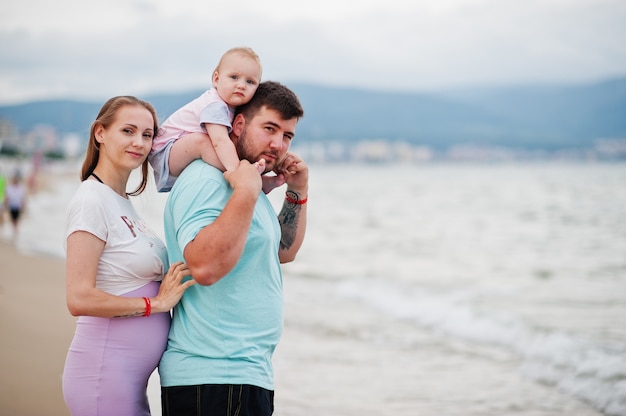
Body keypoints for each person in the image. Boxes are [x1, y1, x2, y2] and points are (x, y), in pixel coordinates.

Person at [159, 81, 308, 415]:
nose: (278, 144)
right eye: (269, 128)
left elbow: (283, 251)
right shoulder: (207, 180)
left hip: (247, 373)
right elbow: (205, 267)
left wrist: (298, 190)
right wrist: (244, 192)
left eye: (287, 136)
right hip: (213, 374)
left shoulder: (247, 181)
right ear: (237, 126)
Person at [62, 96, 196, 416]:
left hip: (125, 380)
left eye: (147, 135)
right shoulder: (91, 200)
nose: (139, 142)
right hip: (102, 375)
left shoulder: (120, 202)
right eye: (128, 131)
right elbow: (79, 298)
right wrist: (156, 305)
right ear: (100, 133)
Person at [149, 46, 279, 194]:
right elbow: (220, 141)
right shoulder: (214, 105)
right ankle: (241, 174)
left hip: (177, 150)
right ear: (216, 79)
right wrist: (237, 169)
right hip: (164, 152)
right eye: (234, 77)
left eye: (250, 82)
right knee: (203, 142)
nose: (241, 85)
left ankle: (257, 180)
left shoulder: (232, 108)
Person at [4, 169, 27, 242]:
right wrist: (5, 204)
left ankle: (15, 232)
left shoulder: (21, 187)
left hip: (17, 206)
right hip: (11, 205)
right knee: (12, 219)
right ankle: (15, 231)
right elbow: (7, 197)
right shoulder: (9, 187)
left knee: (16, 219)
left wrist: (23, 206)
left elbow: (22, 197)